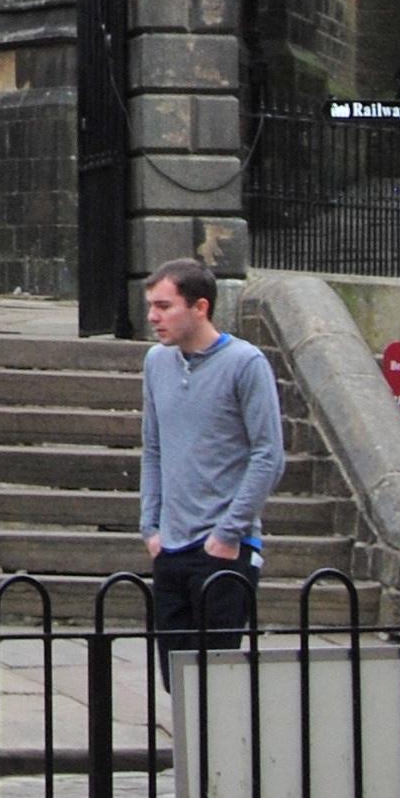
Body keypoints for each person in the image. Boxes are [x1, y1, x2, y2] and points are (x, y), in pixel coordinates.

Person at [139, 260, 285, 656]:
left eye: (164, 306)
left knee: (215, 678)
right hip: (170, 545)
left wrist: (228, 532)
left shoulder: (246, 363)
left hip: (224, 547)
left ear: (200, 307)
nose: (153, 316)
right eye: (152, 305)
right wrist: (150, 527)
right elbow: (153, 448)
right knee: (175, 675)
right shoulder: (156, 362)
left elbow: (269, 454)